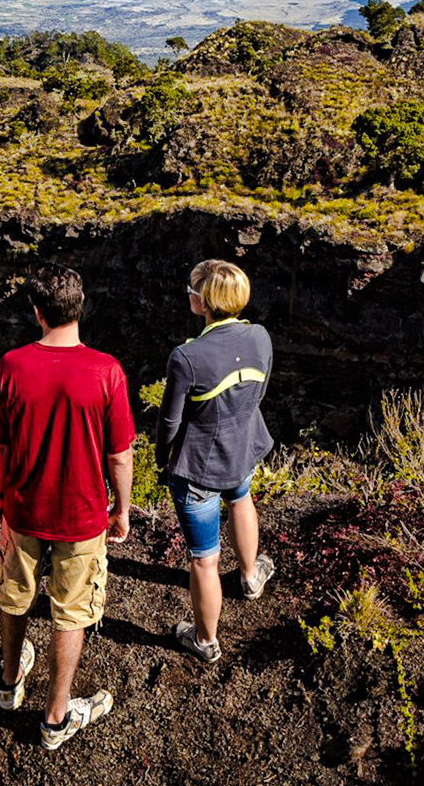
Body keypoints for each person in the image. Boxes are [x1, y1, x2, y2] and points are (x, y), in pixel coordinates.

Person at [0, 263, 135, 752]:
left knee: (13, 596)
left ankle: (8, 682)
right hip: (82, 514)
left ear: (36, 311)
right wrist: (122, 509)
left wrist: (1, 497)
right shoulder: (107, 370)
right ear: (80, 305)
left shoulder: (11, 366)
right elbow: (120, 454)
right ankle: (55, 716)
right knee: (71, 612)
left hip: (23, 508)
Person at [156, 259, 276, 663]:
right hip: (243, 450)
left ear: (203, 301)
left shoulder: (187, 357)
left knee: (204, 559)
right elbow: (258, 395)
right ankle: (250, 577)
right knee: (241, 499)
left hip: (200, 466)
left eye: (191, 289)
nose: (188, 294)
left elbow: (170, 420)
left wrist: (161, 459)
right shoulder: (260, 336)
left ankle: (205, 640)